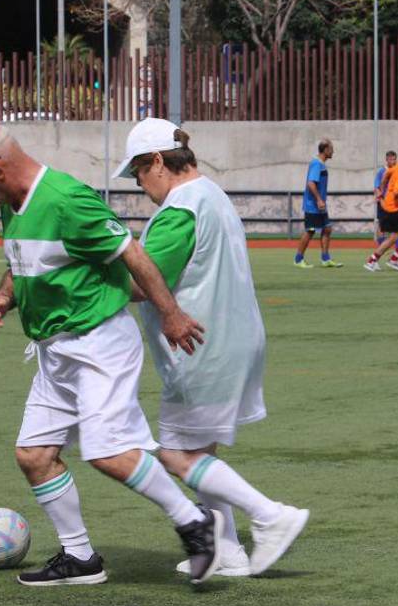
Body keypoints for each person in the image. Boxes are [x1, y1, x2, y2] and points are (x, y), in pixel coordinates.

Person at [0, 119, 223, 588]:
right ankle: (80, 558)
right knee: (34, 455)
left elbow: (134, 256)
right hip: (54, 351)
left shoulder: (66, 199)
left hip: (99, 344)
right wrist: (3, 296)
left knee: (107, 452)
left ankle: (194, 522)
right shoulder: (14, 203)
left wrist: (172, 315)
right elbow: (23, 261)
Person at [114, 118, 311, 577]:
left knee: (177, 455)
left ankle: (269, 516)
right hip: (231, 339)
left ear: (159, 161)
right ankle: (227, 548)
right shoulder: (213, 195)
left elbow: (142, 282)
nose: (140, 184)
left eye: (139, 172)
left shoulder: (180, 208)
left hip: (202, 345)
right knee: (199, 451)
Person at [295, 139, 341, 268]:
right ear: (325, 150)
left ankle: (325, 259)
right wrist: (319, 200)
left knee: (327, 228)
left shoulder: (321, 164)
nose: (333, 151)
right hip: (313, 205)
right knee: (310, 231)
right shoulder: (316, 164)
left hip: (320, 205)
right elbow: (311, 183)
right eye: (331, 149)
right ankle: (298, 259)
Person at [374, 150, 397, 245]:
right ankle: (380, 244)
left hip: (394, 202)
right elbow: (376, 186)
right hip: (383, 202)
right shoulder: (381, 172)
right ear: (386, 160)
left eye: (394, 159)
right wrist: (380, 197)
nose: (393, 161)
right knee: (381, 225)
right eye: (390, 159)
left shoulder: (397, 171)